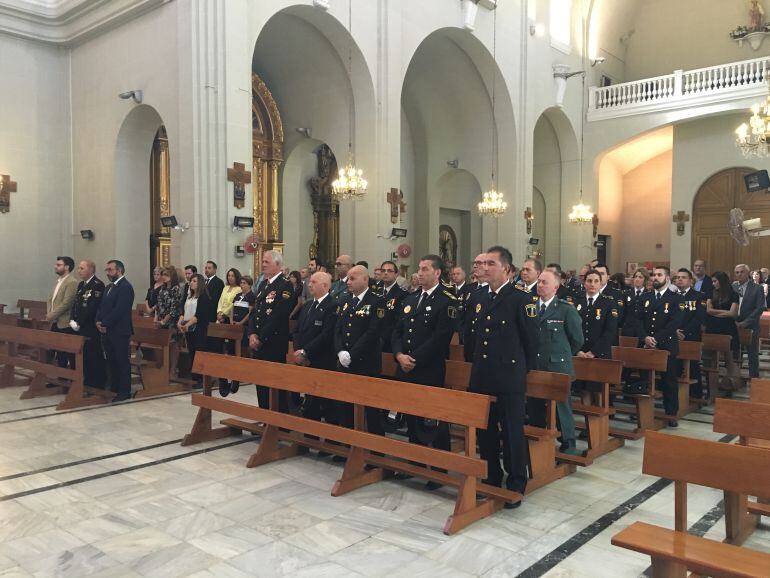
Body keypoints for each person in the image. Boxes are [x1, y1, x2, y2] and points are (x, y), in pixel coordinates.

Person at [469, 246, 537, 503]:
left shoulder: (521, 298)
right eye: (482, 263)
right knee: (485, 433)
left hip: (509, 378)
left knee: (511, 432)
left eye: (490, 264)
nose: (483, 268)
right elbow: (473, 339)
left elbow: (531, 342)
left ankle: (516, 481)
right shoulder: (479, 297)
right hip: (482, 377)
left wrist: (519, 372)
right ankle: (491, 476)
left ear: (507, 269)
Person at [391, 255, 457, 489]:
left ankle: (439, 469)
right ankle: (415, 463)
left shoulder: (446, 300)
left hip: (428, 368)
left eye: (425, 269)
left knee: (433, 419)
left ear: (437, 273)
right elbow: (397, 331)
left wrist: (413, 359)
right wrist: (399, 355)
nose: (419, 273)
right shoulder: (411, 298)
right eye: (419, 269)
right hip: (406, 367)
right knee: (411, 416)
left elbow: (440, 339)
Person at [532, 269, 584, 455]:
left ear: (556, 286)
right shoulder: (530, 307)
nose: (540, 285)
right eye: (538, 281)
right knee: (534, 403)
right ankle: (536, 437)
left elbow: (577, 339)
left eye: (544, 282)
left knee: (562, 407)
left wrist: (560, 352)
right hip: (536, 364)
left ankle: (568, 442)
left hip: (557, 365)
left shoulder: (565, 309)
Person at [334, 265, 385, 436]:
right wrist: (340, 351)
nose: (348, 282)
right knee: (345, 405)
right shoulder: (346, 299)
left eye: (352, 278)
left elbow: (373, 332)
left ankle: (375, 448)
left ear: (365, 279)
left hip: (366, 362)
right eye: (348, 278)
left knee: (370, 408)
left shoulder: (377, 300)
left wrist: (352, 354)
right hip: (345, 362)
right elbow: (338, 329)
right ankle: (348, 443)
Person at [245, 250, 294, 406]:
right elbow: (255, 311)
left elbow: (278, 316)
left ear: (278, 265)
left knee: (275, 385)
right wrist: (251, 333)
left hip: (273, 342)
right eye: (263, 261)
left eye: (267, 262)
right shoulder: (264, 284)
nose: (263, 264)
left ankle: (279, 422)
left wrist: (261, 337)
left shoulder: (285, 285)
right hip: (258, 342)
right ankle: (265, 417)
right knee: (261, 384)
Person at [638, 266, 684, 425]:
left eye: (659, 275)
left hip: (666, 345)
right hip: (646, 345)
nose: (655, 277)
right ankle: (642, 412)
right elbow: (637, 319)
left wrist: (655, 338)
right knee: (644, 379)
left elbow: (674, 323)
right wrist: (644, 337)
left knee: (669, 381)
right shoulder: (645, 297)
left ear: (667, 278)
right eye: (653, 275)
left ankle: (671, 414)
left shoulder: (675, 298)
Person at [293, 271, 338, 425]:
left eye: (313, 282)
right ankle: (310, 437)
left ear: (325, 286)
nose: (309, 285)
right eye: (309, 282)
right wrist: (299, 352)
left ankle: (330, 442)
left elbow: (326, 335)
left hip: (323, 360)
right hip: (305, 360)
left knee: (325, 403)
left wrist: (306, 352)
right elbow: (297, 331)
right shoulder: (307, 306)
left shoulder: (332, 306)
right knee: (310, 402)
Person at [96, 260, 135, 402]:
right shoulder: (109, 287)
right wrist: (98, 321)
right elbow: (102, 307)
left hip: (120, 331)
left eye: (110, 270)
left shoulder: (125, 287)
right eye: (106, 270)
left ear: (119, 270)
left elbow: (120, 310)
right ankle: (114, 387)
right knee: (111, 360)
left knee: (122, 361)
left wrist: (105, 322)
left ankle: (124, 391)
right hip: (107, 330)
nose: (107, 272)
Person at [69, 260, 107, 389]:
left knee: (93, 354)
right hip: (80, 326)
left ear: (91, 270)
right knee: (84, 354)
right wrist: (72, 319)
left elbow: (93, 308)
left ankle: (97, 382)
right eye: (79, 268)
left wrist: (80, 322)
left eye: (82, 268)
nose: (79, 270)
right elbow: (76, 304)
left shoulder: (97, 285)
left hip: (91, 326)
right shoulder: (81, 285)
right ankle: (87, 379)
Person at [674, 268, 707, 398]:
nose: (680, 279)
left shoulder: (699, 296)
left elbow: (699, 318)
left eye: (683, 277)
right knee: (675, 367)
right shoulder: (672, 296)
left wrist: (683, 332)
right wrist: (674, 331)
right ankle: (677, 396)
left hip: (691, 336)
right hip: (674, 336)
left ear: (690, 281)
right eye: (678, 277)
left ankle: (695, 396)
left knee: (693, 368)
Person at [705, 271, 740, 389]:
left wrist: (717, 313)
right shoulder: (711, 293)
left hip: (728, 328)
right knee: (712, 358)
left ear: (722, 281)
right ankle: (713, 386)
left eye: (715, 281)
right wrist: (724, 313)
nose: (713, 284)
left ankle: (730, 382)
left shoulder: (733, 294)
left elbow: (733, 313)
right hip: (713, 328)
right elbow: (708, 310)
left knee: (729, 358)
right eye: (712, 281)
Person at [177, 273, 213, 382]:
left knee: (199, 352)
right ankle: (195, 377)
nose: (191, 283)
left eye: (194, 281)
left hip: (199, 328)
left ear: (200, 283)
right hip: (188, 327)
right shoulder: (189, 296)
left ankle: (201, 379)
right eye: (191, 281)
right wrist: (180, 322)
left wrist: (186, 325)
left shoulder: (203, 297)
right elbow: (183, 311)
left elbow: (199, 315)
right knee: (191, 352)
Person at [733, 263, 766, 379]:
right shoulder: (733, 287)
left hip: (750, 325)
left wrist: (745, 323)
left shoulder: (757, 288)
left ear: (748, 273)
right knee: (734, 353)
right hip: (734, 324)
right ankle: (734, 379)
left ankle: (754, 381)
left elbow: (760, 308)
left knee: (752, 355)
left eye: (742, 272)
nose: (739, 274)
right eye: (737, 272)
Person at [46, 256, 79, 369]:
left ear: (67, 267)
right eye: (56, 264)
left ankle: (73, 378)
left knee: (69, 353)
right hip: (55, 321)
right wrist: (49, 313)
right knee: (59, 352)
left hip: (65, 322)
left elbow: (67, 303)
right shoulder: (58, 281)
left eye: (59, 265)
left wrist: (51, 315)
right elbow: (51, 299)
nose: (56, 267)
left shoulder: (72, 282)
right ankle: (62, 377)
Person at [463, 253, 489, 361]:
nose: (474, 266)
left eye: (479, 263)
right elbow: (464, 315)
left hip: (486, 346)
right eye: (474, 263)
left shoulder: (492, 290)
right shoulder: (469, 289)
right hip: (470, 344)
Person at [379, 260, 409, 353]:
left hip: (390, 341)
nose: (385, 273)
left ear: (396, 274)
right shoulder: (375, 293)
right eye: (383, 271)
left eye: (389, 271)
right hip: (374, 340)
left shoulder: (402, 294)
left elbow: (398, 321)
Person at [621, 268, 649, 337]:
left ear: (645, 279)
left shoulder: (649, 294)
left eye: (640, 277)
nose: (637, 279)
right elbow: (623, 312)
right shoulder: (626, 294)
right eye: (635, 277)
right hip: (628, 330)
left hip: (643, 331)